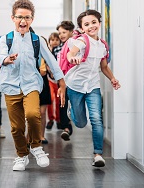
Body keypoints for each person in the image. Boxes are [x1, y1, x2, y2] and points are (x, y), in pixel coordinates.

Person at [0, 0, 66, 171]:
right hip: (11, 86)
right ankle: (21, 155)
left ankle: (35, 146)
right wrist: (6, 59)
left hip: (31, 85)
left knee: (34, 115)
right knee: (16, 127)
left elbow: (52, 61)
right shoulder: (6, 39)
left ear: (32, 19)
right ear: (13, 18)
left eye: (27, 18)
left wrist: (61, 82)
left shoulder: (37, 40)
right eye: (19, 17)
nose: (23, 21)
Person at [64, 9, 121, 167]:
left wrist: (113, 79)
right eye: (86, 24)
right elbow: (70, 54)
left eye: (94, 22)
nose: (91, 26)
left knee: (96, 119)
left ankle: (98, 154)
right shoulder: (81, 41)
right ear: (82, 28)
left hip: (93, 86)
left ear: (99, 23)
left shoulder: (102, 45)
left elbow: (103, 67)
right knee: (81, 123)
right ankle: (72, 111)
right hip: (75, 86)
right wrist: (73, 57)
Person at [55, 21, 75, 140]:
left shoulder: (76, 46)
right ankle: (66, 128)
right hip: (62, 80)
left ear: (71, 32)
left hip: (74, 80)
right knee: (62, 103)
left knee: (73, 104)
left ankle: (71, 124)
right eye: (60, 33)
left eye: (64, 32)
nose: (61, 35)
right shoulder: (57, 49)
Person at [46, 32, 62, 130]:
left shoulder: (60, 51)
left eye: (57, 40)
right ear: (49, 41)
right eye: (52, 40)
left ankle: (58, 119)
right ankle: (51, 119)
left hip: (59, 80)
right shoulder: (47, 51)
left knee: (58, 100)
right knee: (50, 100)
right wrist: (50, 70)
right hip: (50, 79)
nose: (55, 42)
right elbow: (46, 63)